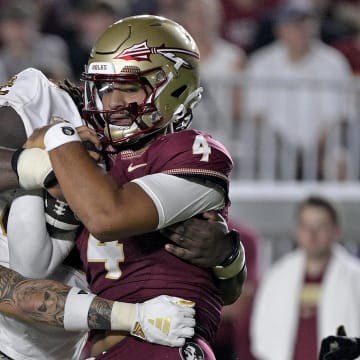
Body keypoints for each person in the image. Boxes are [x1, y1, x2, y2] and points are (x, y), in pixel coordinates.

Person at [16, 14, 245, 359]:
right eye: (107, 89)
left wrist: (54, 138)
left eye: (130, 86)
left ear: (173, 87)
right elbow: (31, 267)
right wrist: (35, 173)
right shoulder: (91, 159)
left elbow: (109, 217)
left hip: (164, 346)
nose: (114, 102)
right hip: (101, 349)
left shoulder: (192, 149)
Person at [243, 3, 355, 180]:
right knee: (257, 155)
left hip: (323, 150)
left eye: (307, 22)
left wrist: (314, 152)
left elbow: (340, 116)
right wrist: (287, 152)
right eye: (295, 24)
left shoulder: (333, 62)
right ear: (280, 30)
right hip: (276, 150)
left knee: (341, 161)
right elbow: (257, 116)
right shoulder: (262, 63)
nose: (302, 29)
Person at [250, 195, 360, 360]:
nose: (312, 234)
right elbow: (261, 331)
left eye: (320, 226)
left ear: (336, 231)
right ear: (297, 230)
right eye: (305, 225)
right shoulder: (276, 276)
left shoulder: (355, 277)